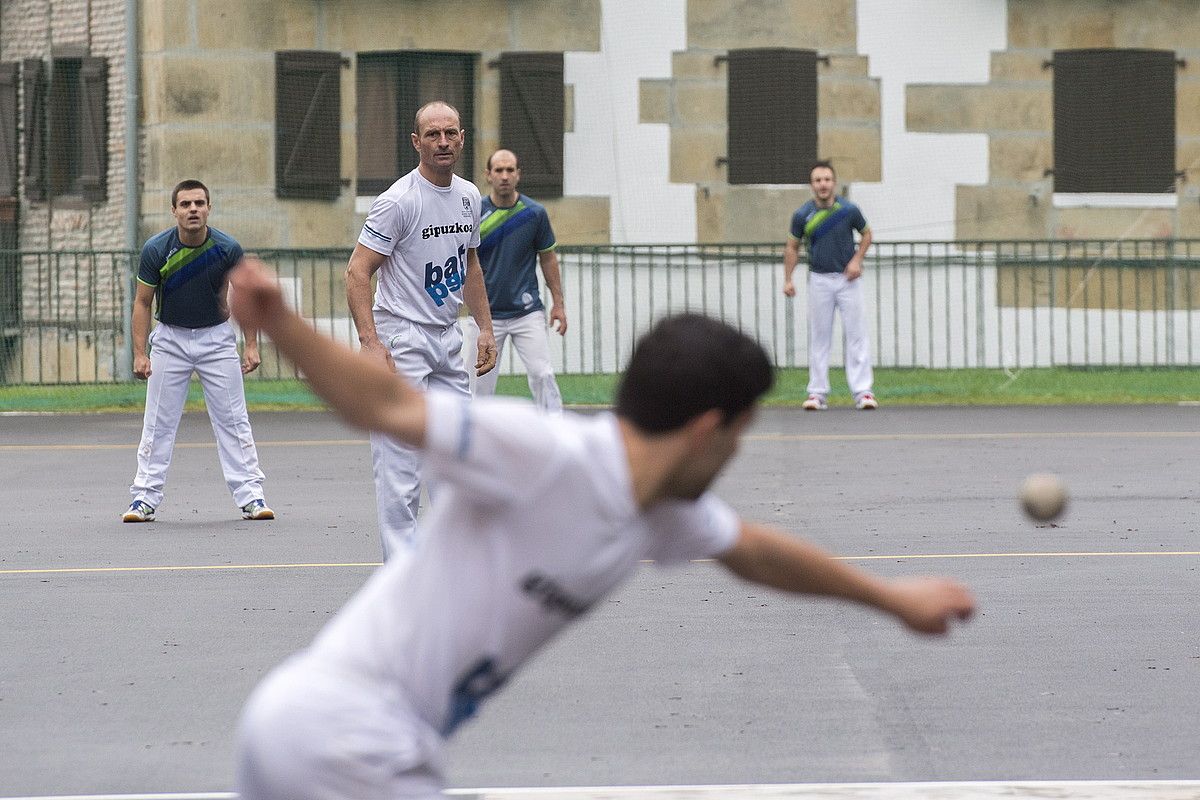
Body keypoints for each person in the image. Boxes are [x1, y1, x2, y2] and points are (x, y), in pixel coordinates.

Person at [229, 258, 976, 800]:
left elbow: (756, 553)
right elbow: (388, 409)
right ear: (706, 431)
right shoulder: (544, 455)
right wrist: (282, 322)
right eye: (738, 436)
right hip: (349, 737)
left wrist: (894, 601)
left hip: (326, 737)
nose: (735, 455)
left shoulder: (656, 512)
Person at [345, 100, 497, 558]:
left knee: (453, 456)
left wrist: (485, 329)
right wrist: (370, 344)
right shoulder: (398, 201)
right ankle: (401, 570)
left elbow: (470, 265)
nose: (443, 142)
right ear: (416, 142)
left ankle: (448, 565)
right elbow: (356, 272)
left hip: (447, 337)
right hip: (402, 337)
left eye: (451, 133)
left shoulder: (470, 196)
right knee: (399, 462)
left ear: (463, 137)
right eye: (433, 135)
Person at [122, 179, 273, 523]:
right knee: (158, 422)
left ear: (209, 208)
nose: (193, 210)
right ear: (174, 210)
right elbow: (142, 302)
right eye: (186, 204)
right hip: (170, 340)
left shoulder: (227, 248)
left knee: (233, 419)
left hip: (217, 340)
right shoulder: (156, 250)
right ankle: (143, 499)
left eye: (199, 203)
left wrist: (250, 345)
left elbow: (245, 297)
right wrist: (139, 352)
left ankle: (252, 496)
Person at [462, 148, 567, 413]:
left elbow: (548, 258)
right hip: (485, 318)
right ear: (488, 175)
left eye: (510, 170)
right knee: (477, 385)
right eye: (499, 170)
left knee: (542, 374)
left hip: (526, 313)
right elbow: (462, 260)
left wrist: (559, 304)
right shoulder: (475, 214)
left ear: (518, 175)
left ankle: (555, 433)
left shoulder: (534, 214)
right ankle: (475, 442)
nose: (505, 176)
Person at [783, 160, 878, 411]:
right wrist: (788, 279)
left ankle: (863, 392)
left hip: (848, 280)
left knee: (857, 334)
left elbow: (867, 234)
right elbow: (792, 247)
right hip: (819, 279)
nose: (822, 185)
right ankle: (817, 393)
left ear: (834, 183)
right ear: (812, 185)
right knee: (820, 336)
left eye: (826, 180)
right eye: (817, 180)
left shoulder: (849, 210)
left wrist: (857, 260)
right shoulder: (802, 215)